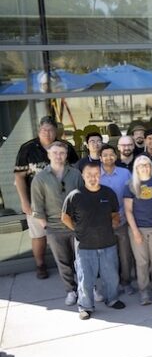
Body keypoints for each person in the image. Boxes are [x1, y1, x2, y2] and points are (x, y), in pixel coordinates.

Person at [15, 116, 79, 279]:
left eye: (51, 130)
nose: (48, 133)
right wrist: (24, 201)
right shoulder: (28, 148)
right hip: (37, 201)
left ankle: (72, 265)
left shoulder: (66, 147)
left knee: (67, 235)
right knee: (39, 236)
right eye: (44, 130)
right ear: (39, 130)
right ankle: (40, 265)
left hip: (63, 203)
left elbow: (77, 171)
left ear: (56, 131)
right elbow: (20, 177)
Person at [61, 162, 126, 320]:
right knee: (86, 278)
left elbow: (115, 213)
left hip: (108, 242)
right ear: (82, 176)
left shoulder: (108, 193)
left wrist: (113, 223)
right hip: (85, 245)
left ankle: (112, 299)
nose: (93, 178)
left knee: (111, 276)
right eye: (89, 175)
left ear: (100, 175)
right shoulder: (75, 195)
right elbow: (65, 217)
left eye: (96, 174)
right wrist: (77, 231)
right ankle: (85, 306)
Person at [31, 141, 83, 303]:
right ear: (48, 155)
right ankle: (71, 291)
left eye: (62, 153)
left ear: (66, 155)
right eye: (55, 153)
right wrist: (47, 228)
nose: (58, 156)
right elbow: (37, 207)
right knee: (63, 262)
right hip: (54, 228)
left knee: (82, 260)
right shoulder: (40, 179)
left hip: (76, 226)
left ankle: (87, 288)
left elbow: (83, 199)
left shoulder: (75, 174)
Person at [125, 155, 152, 305]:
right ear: (136, 168)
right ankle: (144, 291)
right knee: (142, 261)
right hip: (138, 228)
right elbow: (128, 211)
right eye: (141, 165)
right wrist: (135, 231)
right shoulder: (130, 185)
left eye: (147, 164)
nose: (145, 167)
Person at [99, 144, 135, 296]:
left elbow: (132, 194)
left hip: (123, 219)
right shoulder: (95, 175)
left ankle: (126, 282)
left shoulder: (125, 173)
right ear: (100, 158)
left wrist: (123, 214)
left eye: (111, 154)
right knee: (108, 256)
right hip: (103, 223)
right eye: (105, 155)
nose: (108, 157)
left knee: (125, 254)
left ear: (116, 156)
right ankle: (112, 284)